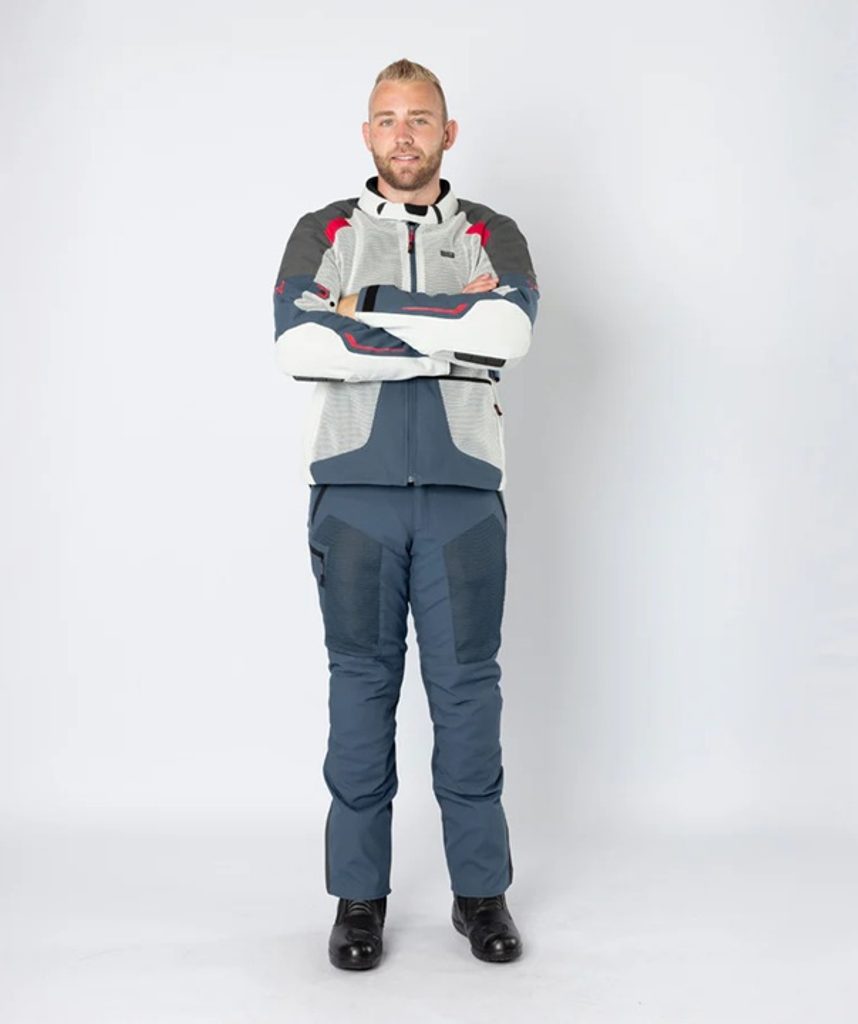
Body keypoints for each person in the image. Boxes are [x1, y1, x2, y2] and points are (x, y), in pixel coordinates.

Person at [272, 58, 540, 969]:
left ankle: (480, 895)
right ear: (367, 134)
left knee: (468, 699)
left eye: (420, 118)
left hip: (464, 501)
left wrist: (369, 313)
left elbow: (507, 332)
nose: (404, 135)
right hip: (355, 497)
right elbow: (300, 343)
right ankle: (359, 901)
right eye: (387, 119)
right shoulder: (326, 230)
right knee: (361, 693)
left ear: (447, 132)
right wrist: (447, 338)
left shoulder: (492, 231)